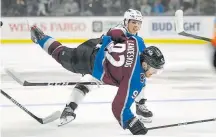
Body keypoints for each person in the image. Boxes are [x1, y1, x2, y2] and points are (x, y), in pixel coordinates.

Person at [30, 10, 165, 135]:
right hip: (92, 56)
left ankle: (140, 104)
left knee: (139, 79)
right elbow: (115, 33)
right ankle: (41, 38)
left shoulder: (137, 40)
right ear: (126, 22)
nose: (136, 26)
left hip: (107, 64)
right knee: (68, 61)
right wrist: (130, 122)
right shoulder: (124, 33)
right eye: (133, 22)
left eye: (138, 23)